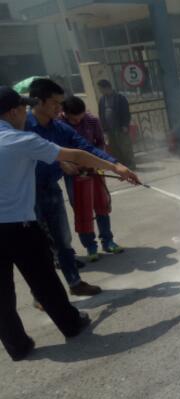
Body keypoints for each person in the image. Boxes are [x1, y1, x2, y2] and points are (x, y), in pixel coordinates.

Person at [0, 86, 139, 361]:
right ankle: (71, 324)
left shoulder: (33, 133)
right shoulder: (19, 139)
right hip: (18, 227)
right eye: (23, 108)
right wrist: (115, 167)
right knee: (44, 280)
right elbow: (75, 154)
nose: (26, 113)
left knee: (1, 293)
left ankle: (17, 346)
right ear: (14, 111)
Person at [26, 78, 136, 297]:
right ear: (38, 101)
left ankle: (75, 283)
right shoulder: (23, 127)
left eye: (61, 102)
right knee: (38, 247)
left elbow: (85, 148)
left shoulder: (59, 127)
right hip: (26, 194)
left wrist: (116, 164)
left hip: (51, 189)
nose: (59, 108)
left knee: (63, 240)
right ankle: (40, 295)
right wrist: (60, 161)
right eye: (55, 103)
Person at [61, 96, 123, 262]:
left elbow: (99, 143)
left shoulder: (92, 121)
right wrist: (67, 164)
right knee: (82, 209)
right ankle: (90, 246)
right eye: (73, 119)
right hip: (74, 174)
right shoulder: (58, 124)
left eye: (80, 117)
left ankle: (108, 241)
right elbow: (56, 150)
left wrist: (97, 163)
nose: (77, 121)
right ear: (65, 113)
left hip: (94, 169)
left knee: (102, 205)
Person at [97, 80, 136, 169]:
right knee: (115, 148)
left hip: (120, 127)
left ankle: (131, 165)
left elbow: (126, 112)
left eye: (101, 89)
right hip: (109, 129)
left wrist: (125, 125)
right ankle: (121, 166)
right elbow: (101, 114)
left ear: (107, 87)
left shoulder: (120, 98)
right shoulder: (102, 100)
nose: (100, 91)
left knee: (125, 147)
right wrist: (104, 128)